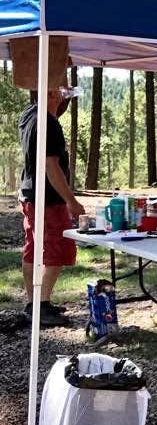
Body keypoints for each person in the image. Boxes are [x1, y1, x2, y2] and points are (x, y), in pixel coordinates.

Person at [20, 87, 84, 326]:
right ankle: (42, 306)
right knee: (58, 248)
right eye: (61, 95)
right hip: (47, 199)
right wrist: (71, 200)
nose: (65, 100)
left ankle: (34, 303)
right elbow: (51, 167)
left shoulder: (28, 114)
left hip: (29, 194)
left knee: (33, 248)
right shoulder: (49, 124)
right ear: (52, 95)